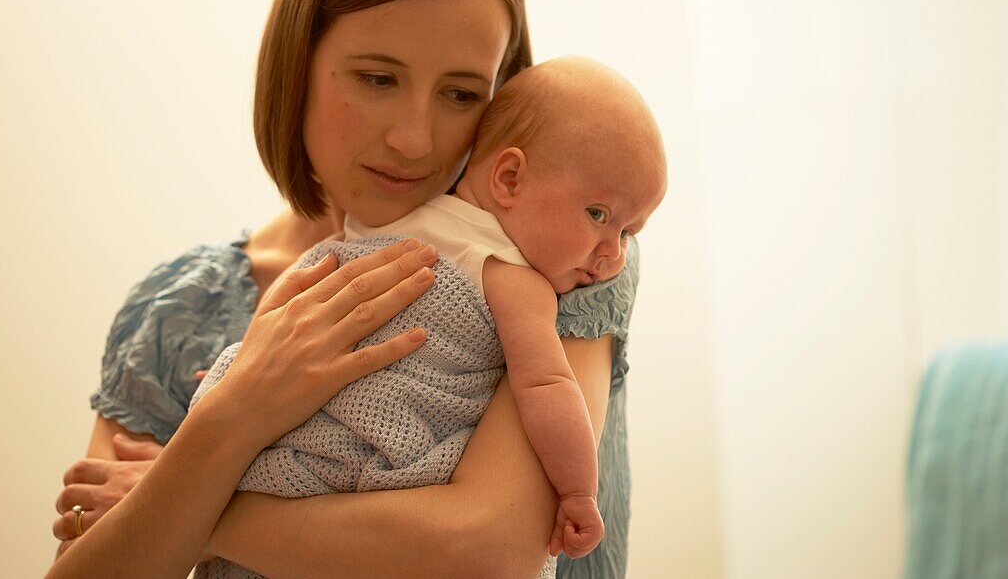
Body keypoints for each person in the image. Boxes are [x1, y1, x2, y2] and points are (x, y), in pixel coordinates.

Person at [49, 0, 645, 579]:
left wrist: (185, 504)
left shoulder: (562, 253)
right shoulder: (177, 310)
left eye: (460, 94)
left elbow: (491, 548)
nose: (414, 138)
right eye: (376, 77)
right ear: (297, 65)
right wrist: (232, 414)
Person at [189, 57, 667, 578]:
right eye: (599, 215)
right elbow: (549, 388)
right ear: (509, 178)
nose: (612, 257)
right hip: (370, 456)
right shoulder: (512, 277)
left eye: (628, 233)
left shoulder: (382, 221)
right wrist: (576, 491)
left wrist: (235, 375)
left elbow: (300, 288)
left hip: (283, 466)